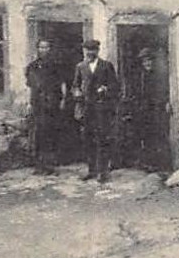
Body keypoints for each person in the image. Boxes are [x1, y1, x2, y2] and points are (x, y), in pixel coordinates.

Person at [73, 39, 119, 183]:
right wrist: (77, 92)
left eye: (93, 49)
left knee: (102, 139)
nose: (90, 52)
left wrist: (106, 88)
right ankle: (91, 170)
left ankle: (102, 172)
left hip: (101, 108)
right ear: (84, 51)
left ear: (97, 51)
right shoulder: (80, 66)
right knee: (88, 139)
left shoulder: (106, 66)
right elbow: (75, 85)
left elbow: (115, 85)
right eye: (87, 50)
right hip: (87, 108)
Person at [23, 38, 67, 174]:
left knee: (50, 133)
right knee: (37, 134)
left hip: (52, 103)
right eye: (41, 47)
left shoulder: (56, 65)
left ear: (50, 49)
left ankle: (50, 165)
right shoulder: (32, 66)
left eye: (46, 47)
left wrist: (63, 100)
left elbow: (62, 83)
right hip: (37, 104)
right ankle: (38, 165)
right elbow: (30, 87)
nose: (44, 50)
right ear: (37, 49)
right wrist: (29, 103)